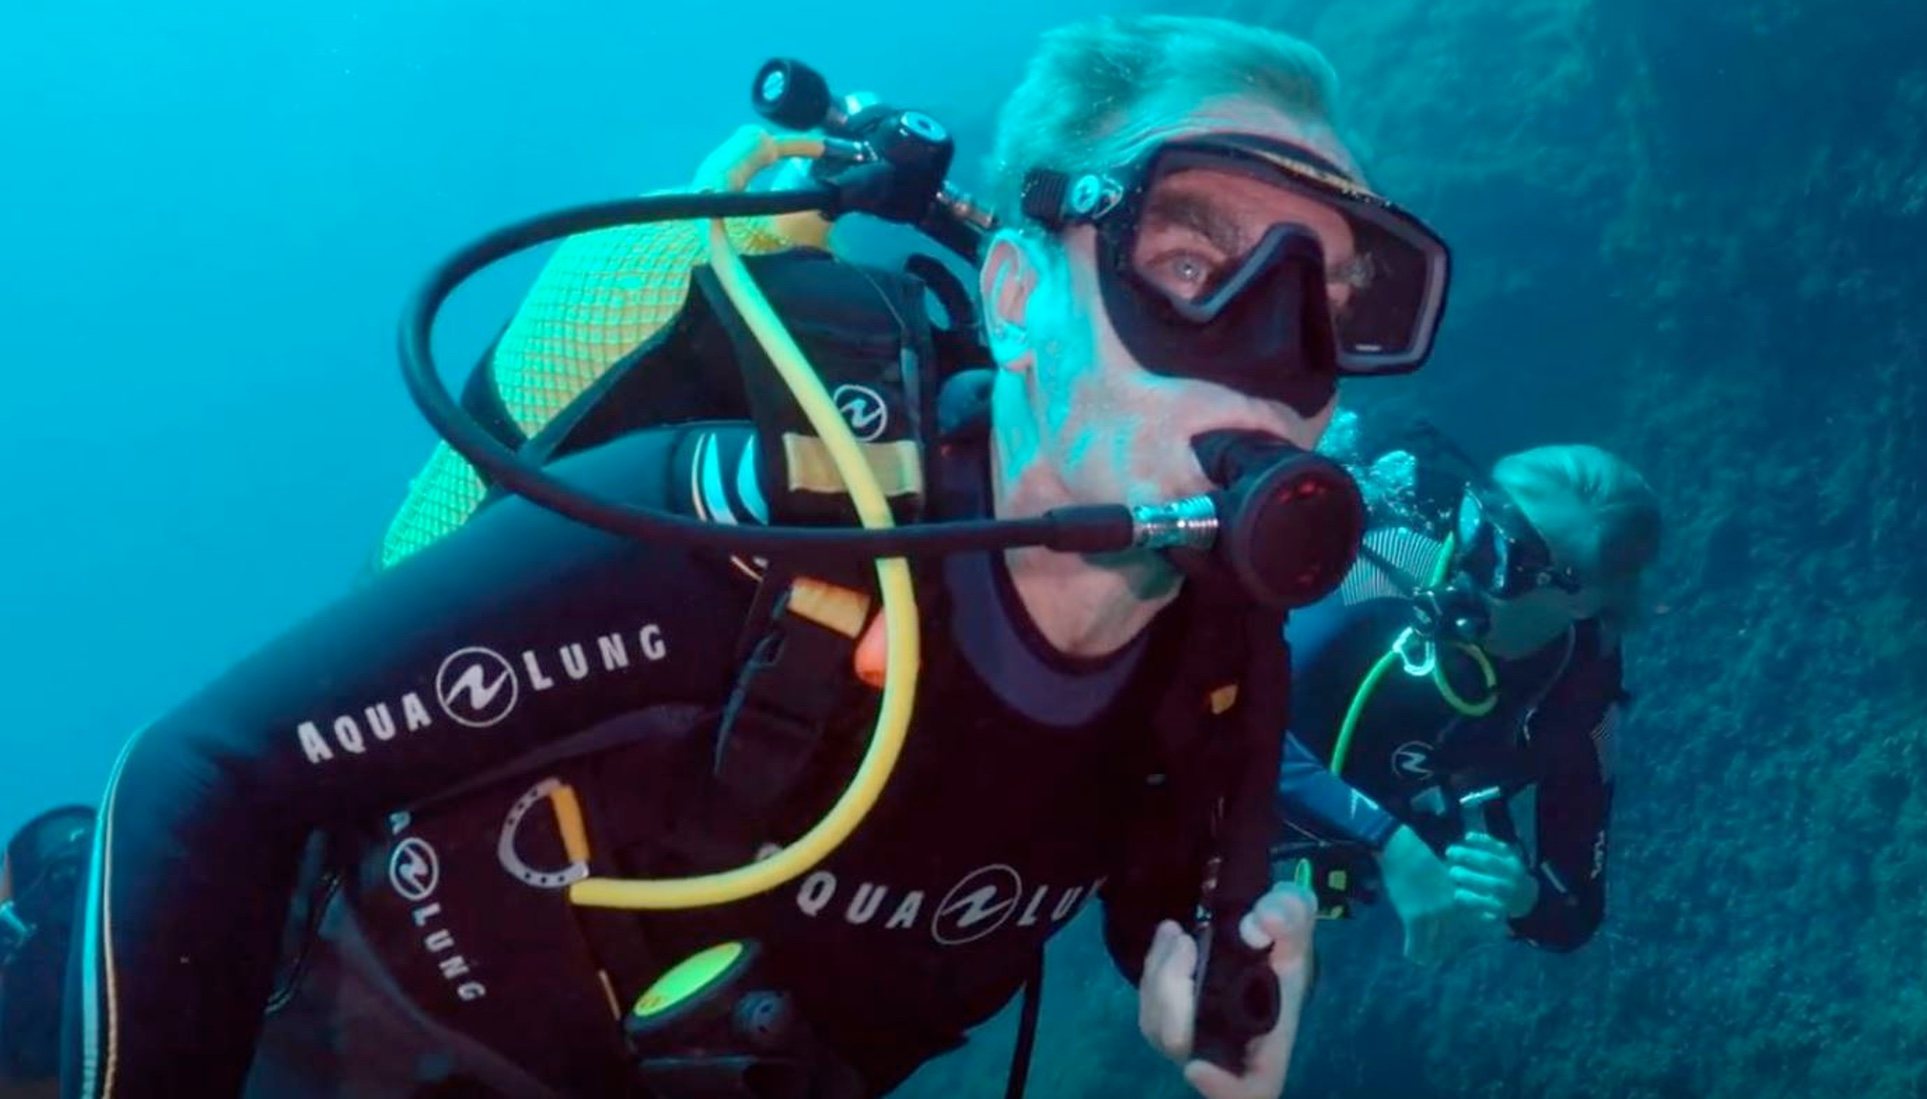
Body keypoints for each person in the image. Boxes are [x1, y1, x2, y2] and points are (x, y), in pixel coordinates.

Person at [46, 14, 1456, 1099]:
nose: (1285, 366)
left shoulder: (1210, 671)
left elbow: (1158, 875)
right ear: (1019, 293)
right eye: (1200, 268)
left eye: (1335, 306)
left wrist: (1210, 985)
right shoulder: (745, 540)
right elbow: (208, 770)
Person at [1277, 439, 1661, 966]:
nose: (1464, 549)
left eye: (1502, 553)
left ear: (1580, 597)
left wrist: (1521, 897)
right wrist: (1392, 844)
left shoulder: (1579, 692)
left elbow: (1575, 915)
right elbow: (1225, 722)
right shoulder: (1389, 563)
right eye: (1475, 514)